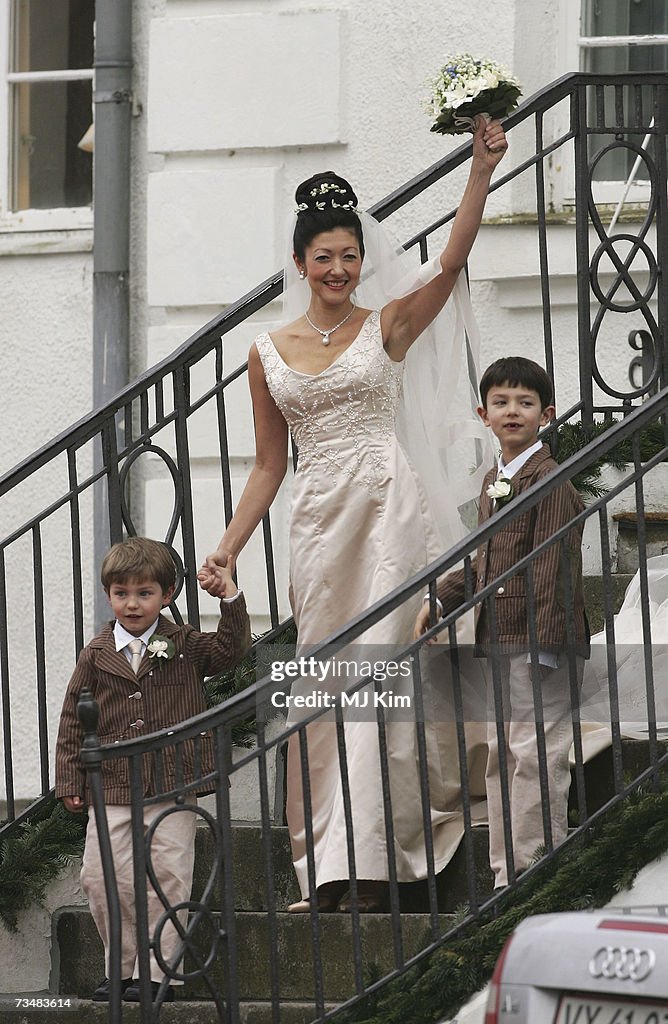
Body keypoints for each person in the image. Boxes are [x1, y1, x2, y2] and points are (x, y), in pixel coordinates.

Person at [200, 117, 508, 913]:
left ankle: (379, 863)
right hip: (318, 522)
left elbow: (452, 261)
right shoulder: (266, 352)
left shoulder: (388, 324)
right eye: (323, 257)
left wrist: (479, 172)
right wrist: (229, 547)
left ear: (360, 260)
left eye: (349, 256)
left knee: (379, 674)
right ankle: (330, 865)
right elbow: (271, 464)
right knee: (320, 684)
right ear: (300, 264)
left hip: (389, 508)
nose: (338, 268)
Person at [414, 356, 590, 888]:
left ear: (547, 414)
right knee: (500, 755)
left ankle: (537, 866)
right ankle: (503, 872)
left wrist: (542, 647)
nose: (512, 411)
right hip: (499, 637)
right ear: (483, 413)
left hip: (540, 643)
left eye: (525, 402)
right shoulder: (498, 479)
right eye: (501, 402)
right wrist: (443, 597)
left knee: (537, 753)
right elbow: (490, 558)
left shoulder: (549, 482)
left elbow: (551, 567)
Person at [55, 536, 251, 1002]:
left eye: (144, 593)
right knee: (102, 877)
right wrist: (69, 778)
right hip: (114, 786)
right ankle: (120, 971)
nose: (132, 603)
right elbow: (71, 716)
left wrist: (231, 598)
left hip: (173, 781)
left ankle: (157, 973)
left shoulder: (183, 644)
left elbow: (232, 651)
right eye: (121, 593)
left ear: (166, 596)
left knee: (166, 876)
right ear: (109, 596)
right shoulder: (96, 653)